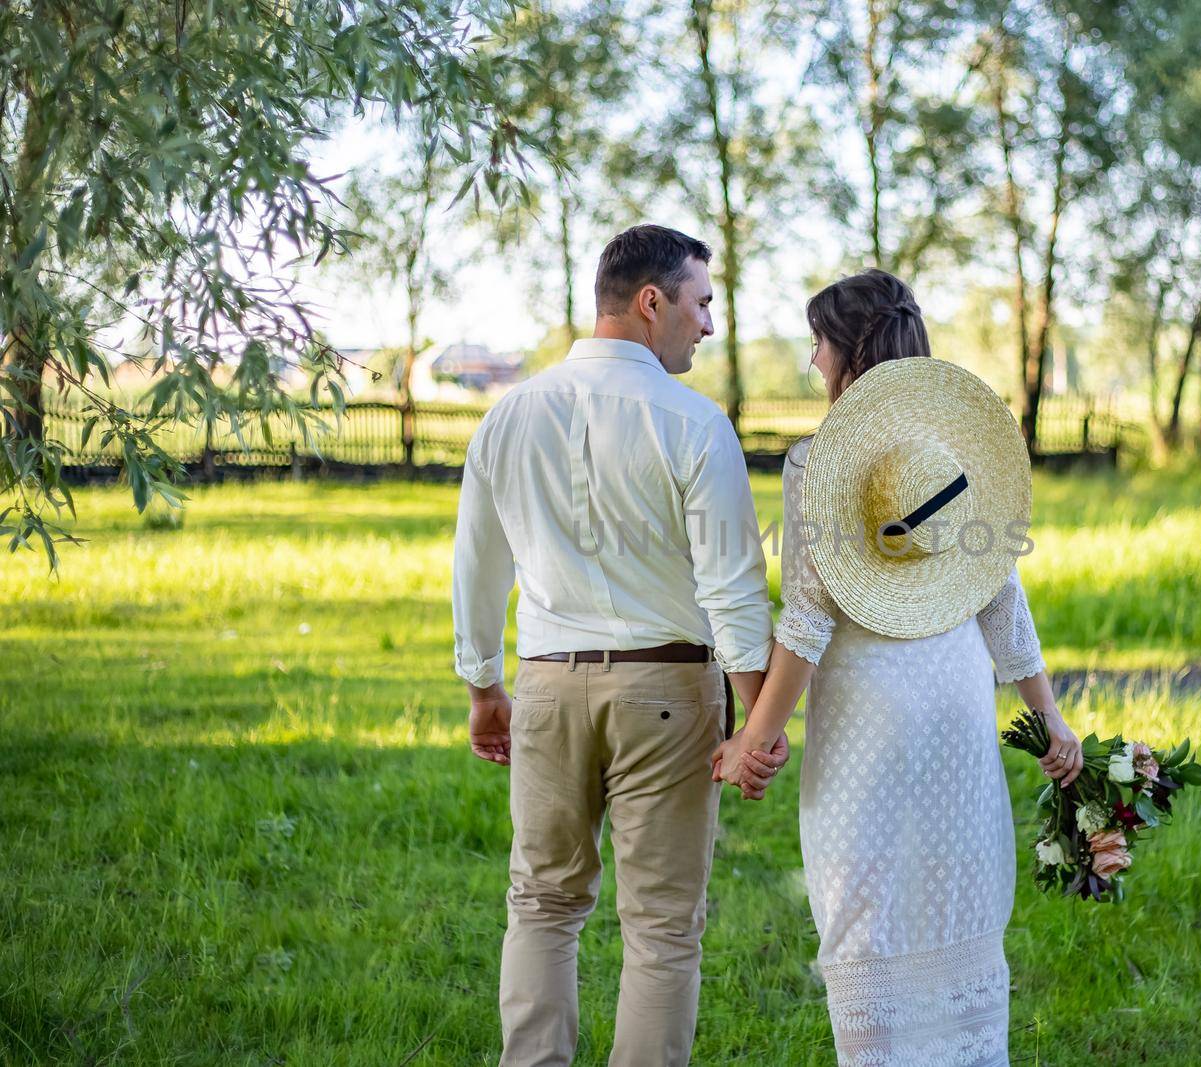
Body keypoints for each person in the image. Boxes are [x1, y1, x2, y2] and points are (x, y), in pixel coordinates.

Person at [713, 269, 1084, 1067]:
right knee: (949, 894)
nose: (812, 362)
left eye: (818, 343)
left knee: (866, 911)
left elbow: (809, 616)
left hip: (869, 718)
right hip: (954, 701)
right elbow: (1002, 598)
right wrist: (1051, 716)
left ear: (850, 349)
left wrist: (756, 738)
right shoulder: (957, 454)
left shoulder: (824, 462)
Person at [452, 223, 786, 1067]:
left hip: (548, 688)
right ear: (652, 302)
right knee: (663, 927)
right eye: (701, 302)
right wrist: (758, 721)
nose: (708, 324)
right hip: (668, 693)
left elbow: (478, 566)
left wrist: (484, 687)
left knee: (541, 903)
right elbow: (734, 588)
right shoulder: (695, 424)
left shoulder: (508, 415)